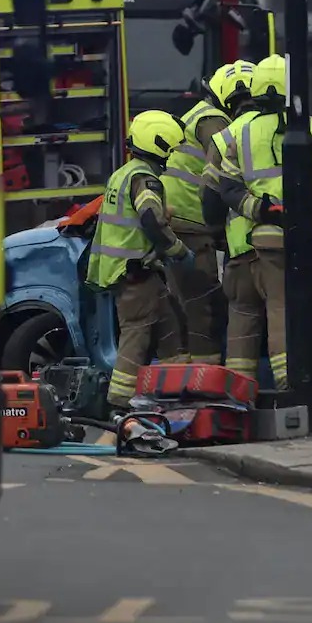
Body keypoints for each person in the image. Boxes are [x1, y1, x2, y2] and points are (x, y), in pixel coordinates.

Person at [213, 55, 312, 397]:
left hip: (268, 240)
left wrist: (262, 212)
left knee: (279, 307)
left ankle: (286, 384)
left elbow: (228, 189)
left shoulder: (239, 134)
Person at [87, 110, 195, 410]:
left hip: (138, 274)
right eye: (170, 148)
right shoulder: (144, 179)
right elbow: (150, 219)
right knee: (136, 335)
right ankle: (120, 401)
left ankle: (176, 390)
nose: (171, 155)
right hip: (136, 274)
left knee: (171, 326)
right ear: (158, 143)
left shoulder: (124, 174)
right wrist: (179, 251)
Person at [160, 66, 237, 366]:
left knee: (187, 301)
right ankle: (204, 375)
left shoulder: (197, 115)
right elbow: (226, 171)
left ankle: (185, 369)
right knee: (201, 305)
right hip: (191, 220)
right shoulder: (213, 122)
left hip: (178, 217)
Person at [201, 61, 265, 378]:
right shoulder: (284, 128)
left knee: (242, 319)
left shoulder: (224, 138)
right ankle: (292, 387)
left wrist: (217, 235)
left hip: (240, 249)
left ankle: (241, 389)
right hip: (285, 245)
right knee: (284, 314)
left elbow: (211, 198)